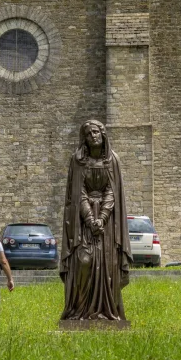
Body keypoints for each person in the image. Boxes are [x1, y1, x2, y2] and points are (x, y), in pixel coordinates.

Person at [59, 119, 133, 323]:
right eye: (89, 133)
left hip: (107, 225)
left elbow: (112, 191)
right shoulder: (78, 161)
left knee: (108, 266)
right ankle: (79, 310)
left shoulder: (112, 160)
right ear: (84, 138)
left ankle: (106, 310)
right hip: (83, 223)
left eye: (96, 132)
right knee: (84, 261)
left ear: (103, 135)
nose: (93, 136)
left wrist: (102, 218)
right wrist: (90, 219)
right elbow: (77, 193)